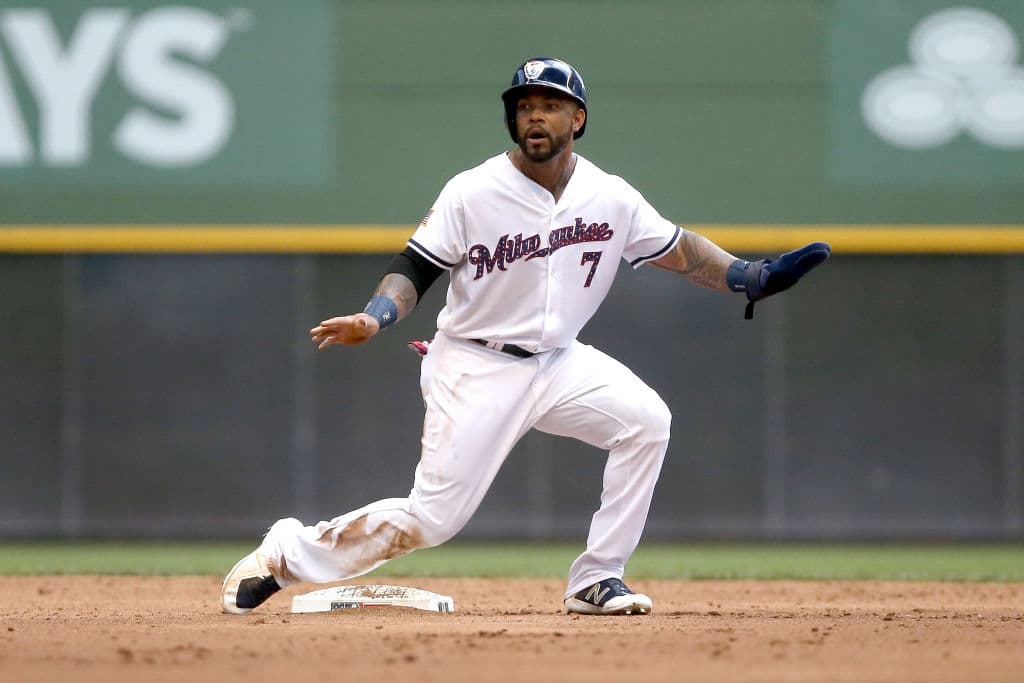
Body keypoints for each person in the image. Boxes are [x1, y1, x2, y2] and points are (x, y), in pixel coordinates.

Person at [221, 57, 830, 616]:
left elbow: (680, 249)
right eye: (524, 104)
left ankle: (597, 578)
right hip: (474, 365)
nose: (534, 114)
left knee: (646, 421)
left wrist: (749, 276)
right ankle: (285, 554)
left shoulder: (609, 195)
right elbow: (415, 268)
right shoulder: (473, 190)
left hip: (558, 362)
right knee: (433, 520)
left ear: (578, 118)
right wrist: (375, 316)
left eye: (551, 103)